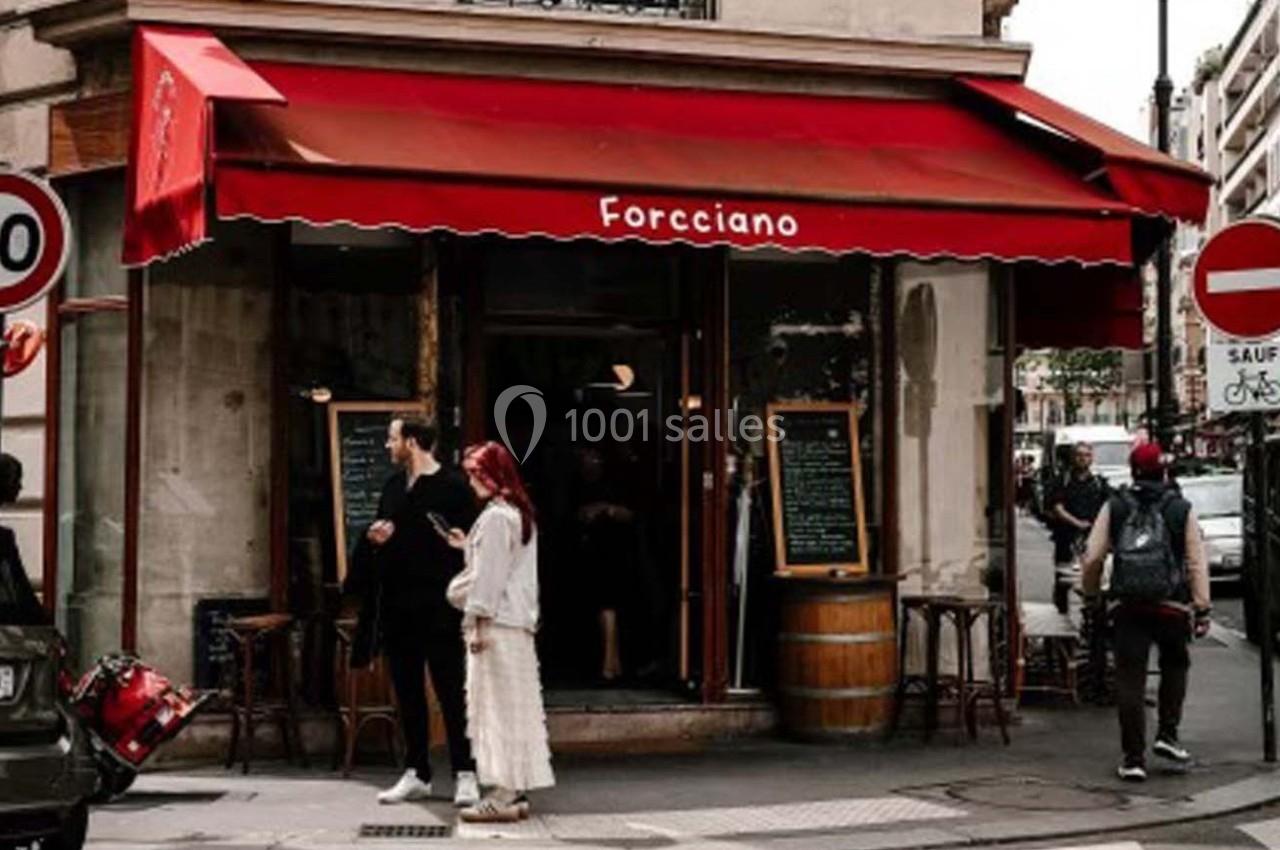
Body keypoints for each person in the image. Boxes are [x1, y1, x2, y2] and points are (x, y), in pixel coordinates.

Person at [349, 417, 479, 806]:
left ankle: (465, 772)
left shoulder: (454, 487)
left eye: (392, 439)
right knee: (407, 692)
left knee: (451, 691)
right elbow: (379, 538)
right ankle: (416, 771)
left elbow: (476, 546)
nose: (388, 446)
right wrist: (373, 538)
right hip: (397, 605)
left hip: (441, 606)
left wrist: (460, 547)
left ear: (411, 441)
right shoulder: (392, 487)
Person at [1080, 442, 1211, 783]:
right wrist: (1202, 606)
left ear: (1133, 470)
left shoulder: (1116, 505)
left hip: (1129, 606)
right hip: (1172, 605)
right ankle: (1167, 734)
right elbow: (1196, 561)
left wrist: (1091, 596)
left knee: (1130, 679)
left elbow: (1093, 556)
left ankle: (1133, 757)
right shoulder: (1181, 508)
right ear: (1163, 471)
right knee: (1175, 664)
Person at [446, 441, 554, 823]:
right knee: (515, 706)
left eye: (477, 473)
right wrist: (468, 547)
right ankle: (513, 789)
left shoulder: (495, 518)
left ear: (492, 475)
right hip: (516, 625)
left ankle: (503, 793)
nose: (472, 480)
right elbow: (506, 567)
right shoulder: (518, 514)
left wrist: (476, 624)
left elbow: (489, 580)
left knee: (494, 708)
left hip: (496, 624)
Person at [1049, 442, 1109, 614]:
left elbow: (1108, 507)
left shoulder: (1098, 483)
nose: (1083, 459)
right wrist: (1077, 523)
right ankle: (1060, 618)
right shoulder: (1063, 481)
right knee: (1063, 581)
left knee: (1093, 578)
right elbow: (1057, 507)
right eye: (1079, 455)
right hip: (1066, 538)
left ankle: (1092, 617)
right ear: (1073, 457)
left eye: (1087, 455)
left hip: (1092, 539)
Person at [0, 454, 43, 626]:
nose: (20, 487)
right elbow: (21, 590)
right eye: (16, 480)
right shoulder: (3, 539)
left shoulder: (4, 537)